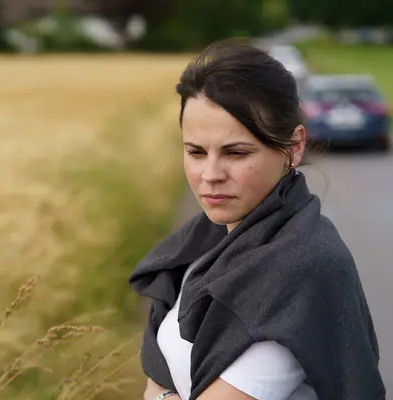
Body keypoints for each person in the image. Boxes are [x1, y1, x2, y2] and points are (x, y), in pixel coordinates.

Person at [128, 40, 385, 400]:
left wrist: (162, 395)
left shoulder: (302, 270)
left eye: (236, 152)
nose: (211, 174)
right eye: (196, 152)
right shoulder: (201, 245)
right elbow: (157, 373)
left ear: (294, 147)